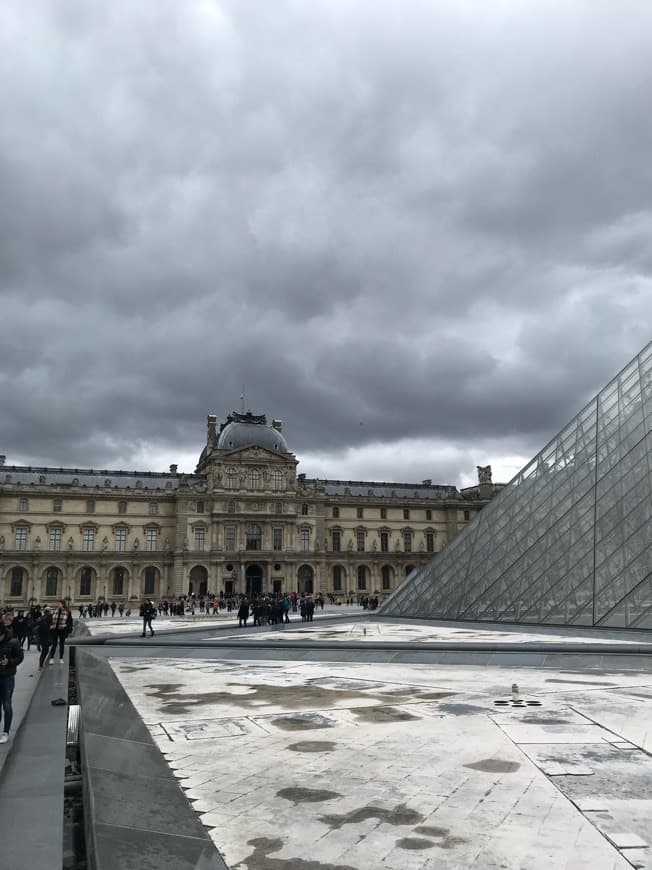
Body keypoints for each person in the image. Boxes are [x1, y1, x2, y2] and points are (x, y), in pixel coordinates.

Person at [0, 621, 25, 743]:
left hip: (7, 677)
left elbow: (20, 657)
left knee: (7, 704)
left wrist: (9, 662)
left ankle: (6, 731)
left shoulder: (13, 642)